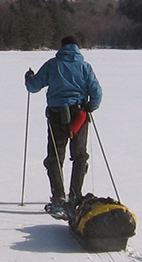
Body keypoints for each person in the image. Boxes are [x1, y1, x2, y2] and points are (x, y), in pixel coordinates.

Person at [24, 35, 102, 218]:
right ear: (77, 47)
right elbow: (96, 92)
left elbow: (34, 87)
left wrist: (29, 78)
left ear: (62, 47)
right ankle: (75, 196)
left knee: (55, 157)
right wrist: (90, 107)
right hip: (79, 116)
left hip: (56, 115)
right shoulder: (85, 67)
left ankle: (58, 198)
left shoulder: (53, 64)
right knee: (80, 155)